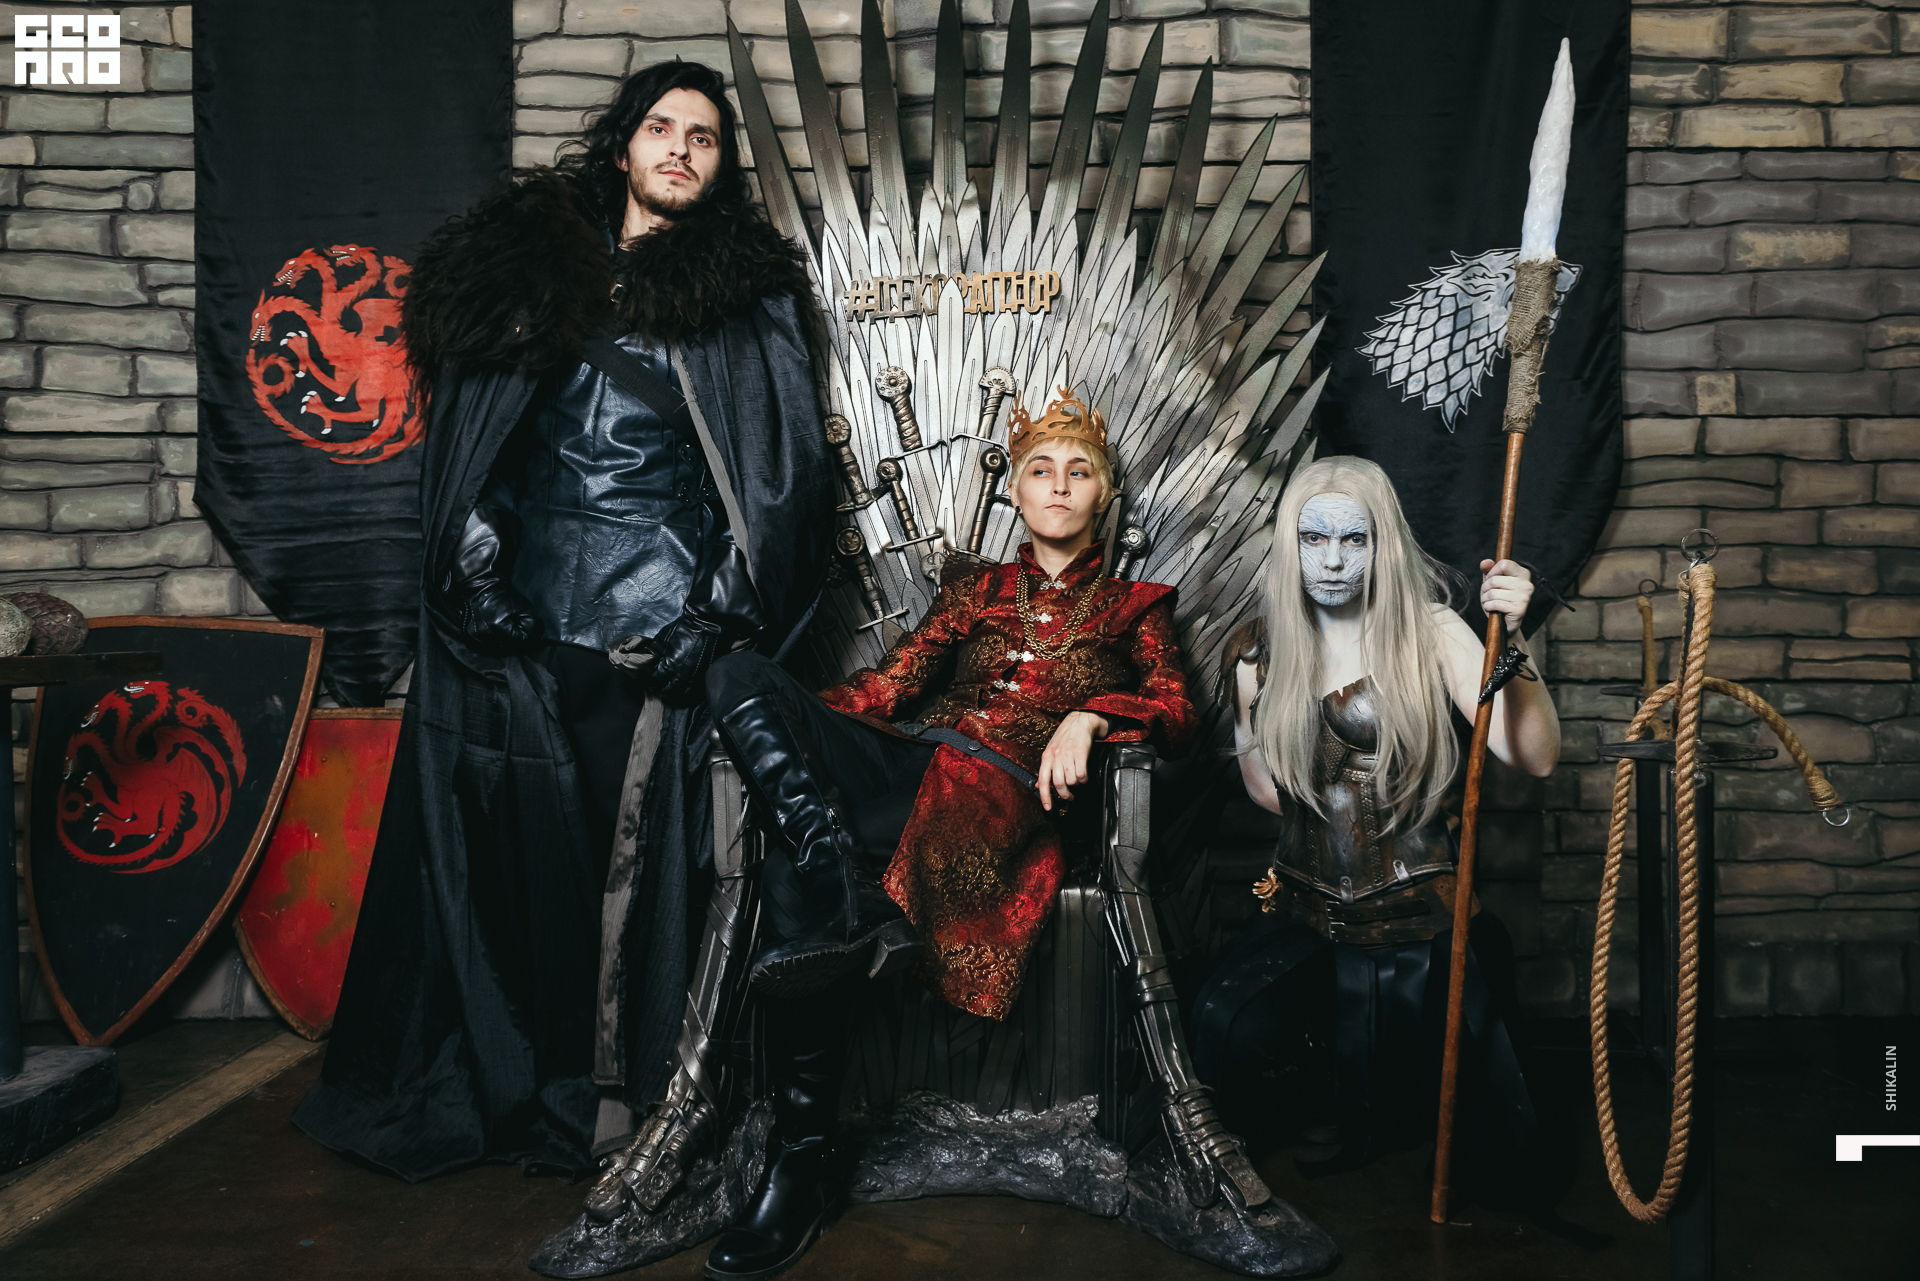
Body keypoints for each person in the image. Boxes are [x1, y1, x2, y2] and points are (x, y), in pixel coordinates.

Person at [294, 60, 837, 1182]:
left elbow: (778, 488)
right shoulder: (532, 274)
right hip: (531, 631)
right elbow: (475, 453)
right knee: (527, 873)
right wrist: (478, 575)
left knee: (643, 879)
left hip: (660, 633)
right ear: (623, 143)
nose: (679, 148)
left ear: (722, 165)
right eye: (661, 128)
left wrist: (715, 618)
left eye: (703, 136)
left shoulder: (751, 300)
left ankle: (637, 1099)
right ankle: (531, 1087)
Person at [681, 388, 1197, 1279]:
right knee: (736, 676)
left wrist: (1093, 716)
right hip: (909, 757)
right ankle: (836, 875)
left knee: (798, 871)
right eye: (1041, 470)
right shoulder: (976, 590)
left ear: (1104, 494)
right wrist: (800, 722)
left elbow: (1179, 710)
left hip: (996, 794)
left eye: (1079, 472)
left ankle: (801, 1164)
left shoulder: (1136, 605)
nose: (1059, 484)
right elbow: (887, 685)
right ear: (1017, 493)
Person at [1193, 455, 1558, 1175]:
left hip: (1420, 913)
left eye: (1353, 539)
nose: (1332, 560)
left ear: (1381, 542)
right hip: (1306, 912)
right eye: (1314, 538)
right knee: (1221, 1026)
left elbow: (1536, 755)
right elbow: (1266, 790)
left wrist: (1512, 639)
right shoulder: (1257, 649)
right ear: (1290, 543)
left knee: (1493, 1132)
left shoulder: (1433, 633)